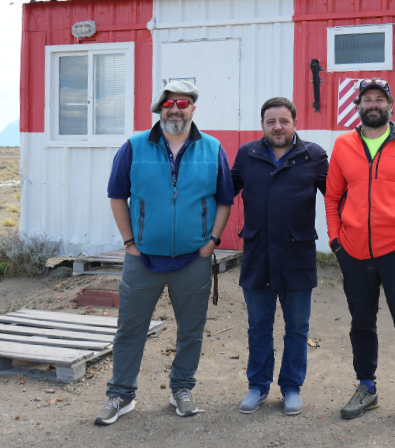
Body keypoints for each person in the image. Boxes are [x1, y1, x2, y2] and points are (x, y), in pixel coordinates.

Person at [95, 79, 234, 425]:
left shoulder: (213, 148)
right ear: (159, 109)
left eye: (182, 103)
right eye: (168, 103)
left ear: (192, 109)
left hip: (193, 259)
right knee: (130, 329)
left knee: (191, 330)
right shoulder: (134, 146)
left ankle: (181, 389)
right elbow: (117, 195)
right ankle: (121, 394)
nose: (175, 109)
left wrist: (212, 241)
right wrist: (130, 244)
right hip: (143, 259)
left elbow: (224, 200)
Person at [324, 78, 395, 427]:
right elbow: (332, 197)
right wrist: (336, 241)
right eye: (367, 99)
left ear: (391, 105)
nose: (373, 104)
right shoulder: (344, 145)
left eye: (380, 99)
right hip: (355, 252)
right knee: (361, 322)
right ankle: (366, 387)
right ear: (358, 105)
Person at [231, 97, 328, 415]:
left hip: (296, 256)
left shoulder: (313, 155)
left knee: (297, 328)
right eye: (271, 121)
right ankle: (258, 386)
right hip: (258, 255)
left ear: (295, 123)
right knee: (258, 327)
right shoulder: (248, 155)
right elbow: (221, 192)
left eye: (283, 121)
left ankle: (291, 387)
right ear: (262, 125)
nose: (277, 127)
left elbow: (340, 196)